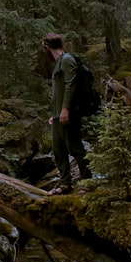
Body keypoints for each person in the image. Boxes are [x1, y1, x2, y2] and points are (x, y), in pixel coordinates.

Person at [42, 32, 92, 194]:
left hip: (69, 113)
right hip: (58, 115)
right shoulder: (58, 63)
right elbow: (59, 92)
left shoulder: (67, 60)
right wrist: (55, 113)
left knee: (76, 147)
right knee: (58, 150)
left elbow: (71, 85)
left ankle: (86, 182)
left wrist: (65, 109)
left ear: (47, 47)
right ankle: (65, 184)